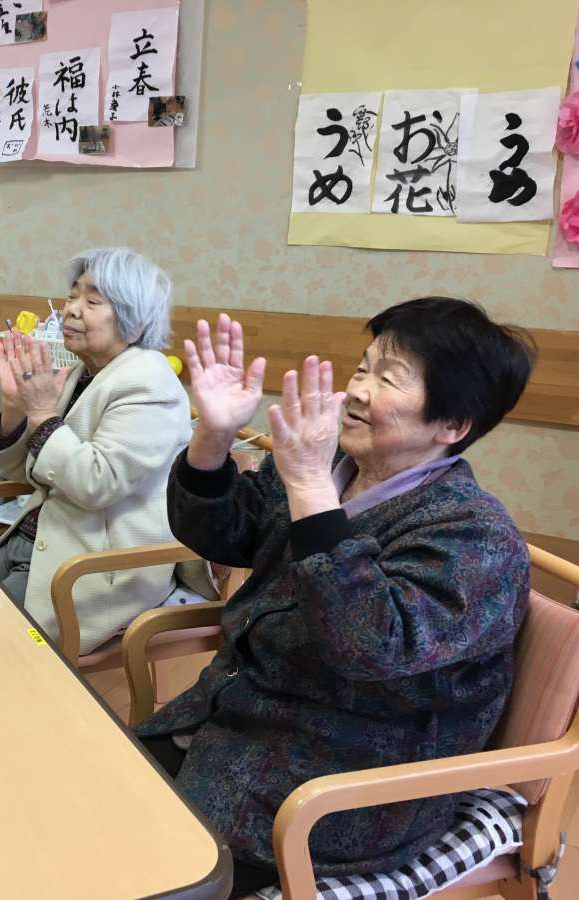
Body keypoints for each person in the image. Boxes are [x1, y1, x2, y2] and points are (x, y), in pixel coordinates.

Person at [135, 298, 536, 894]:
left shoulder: (477, 536)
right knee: (85, 799)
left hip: (337, 788)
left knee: (140, 868)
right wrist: (213, 436)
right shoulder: (332, 468)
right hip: (232, 720)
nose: (357, 391)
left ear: (453, 425)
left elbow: (368, 644)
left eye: (389, 379)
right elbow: (222, 531)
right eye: (363, 367)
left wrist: (307, 485)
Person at [0, 247, 191, 653]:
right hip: (40, 540)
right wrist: (14, 406)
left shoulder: (150, 383)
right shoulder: (85, 373)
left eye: (93, 302)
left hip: (92, 566)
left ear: (134, 322)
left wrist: (43, 414)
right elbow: (23, 471)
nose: (71, 309)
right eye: (72, 295)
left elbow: (97, 483)